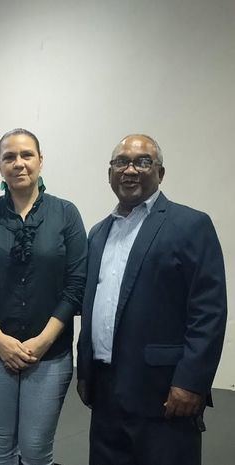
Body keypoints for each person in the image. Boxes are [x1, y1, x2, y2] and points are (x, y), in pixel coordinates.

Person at [76, 134, 227, 465]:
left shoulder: (190, 224)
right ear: (110, 173)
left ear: (160, 172)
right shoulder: (99, 233)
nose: (130, 170)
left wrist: (191, 382)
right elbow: (92, 304)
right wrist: (85, 370)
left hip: (164, 393)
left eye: (142, 162)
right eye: (121, 162)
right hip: (105, 391)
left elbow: (209, 311)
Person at [0, 128, 87, 465]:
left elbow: (76, 285)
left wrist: (44, 340)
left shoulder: (66, 214)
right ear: (0, 166)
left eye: (26, 155)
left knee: (35, 450)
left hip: (50, 354)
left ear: (40, 161)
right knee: (0, 448)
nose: (18, 163)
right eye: (9, 157)